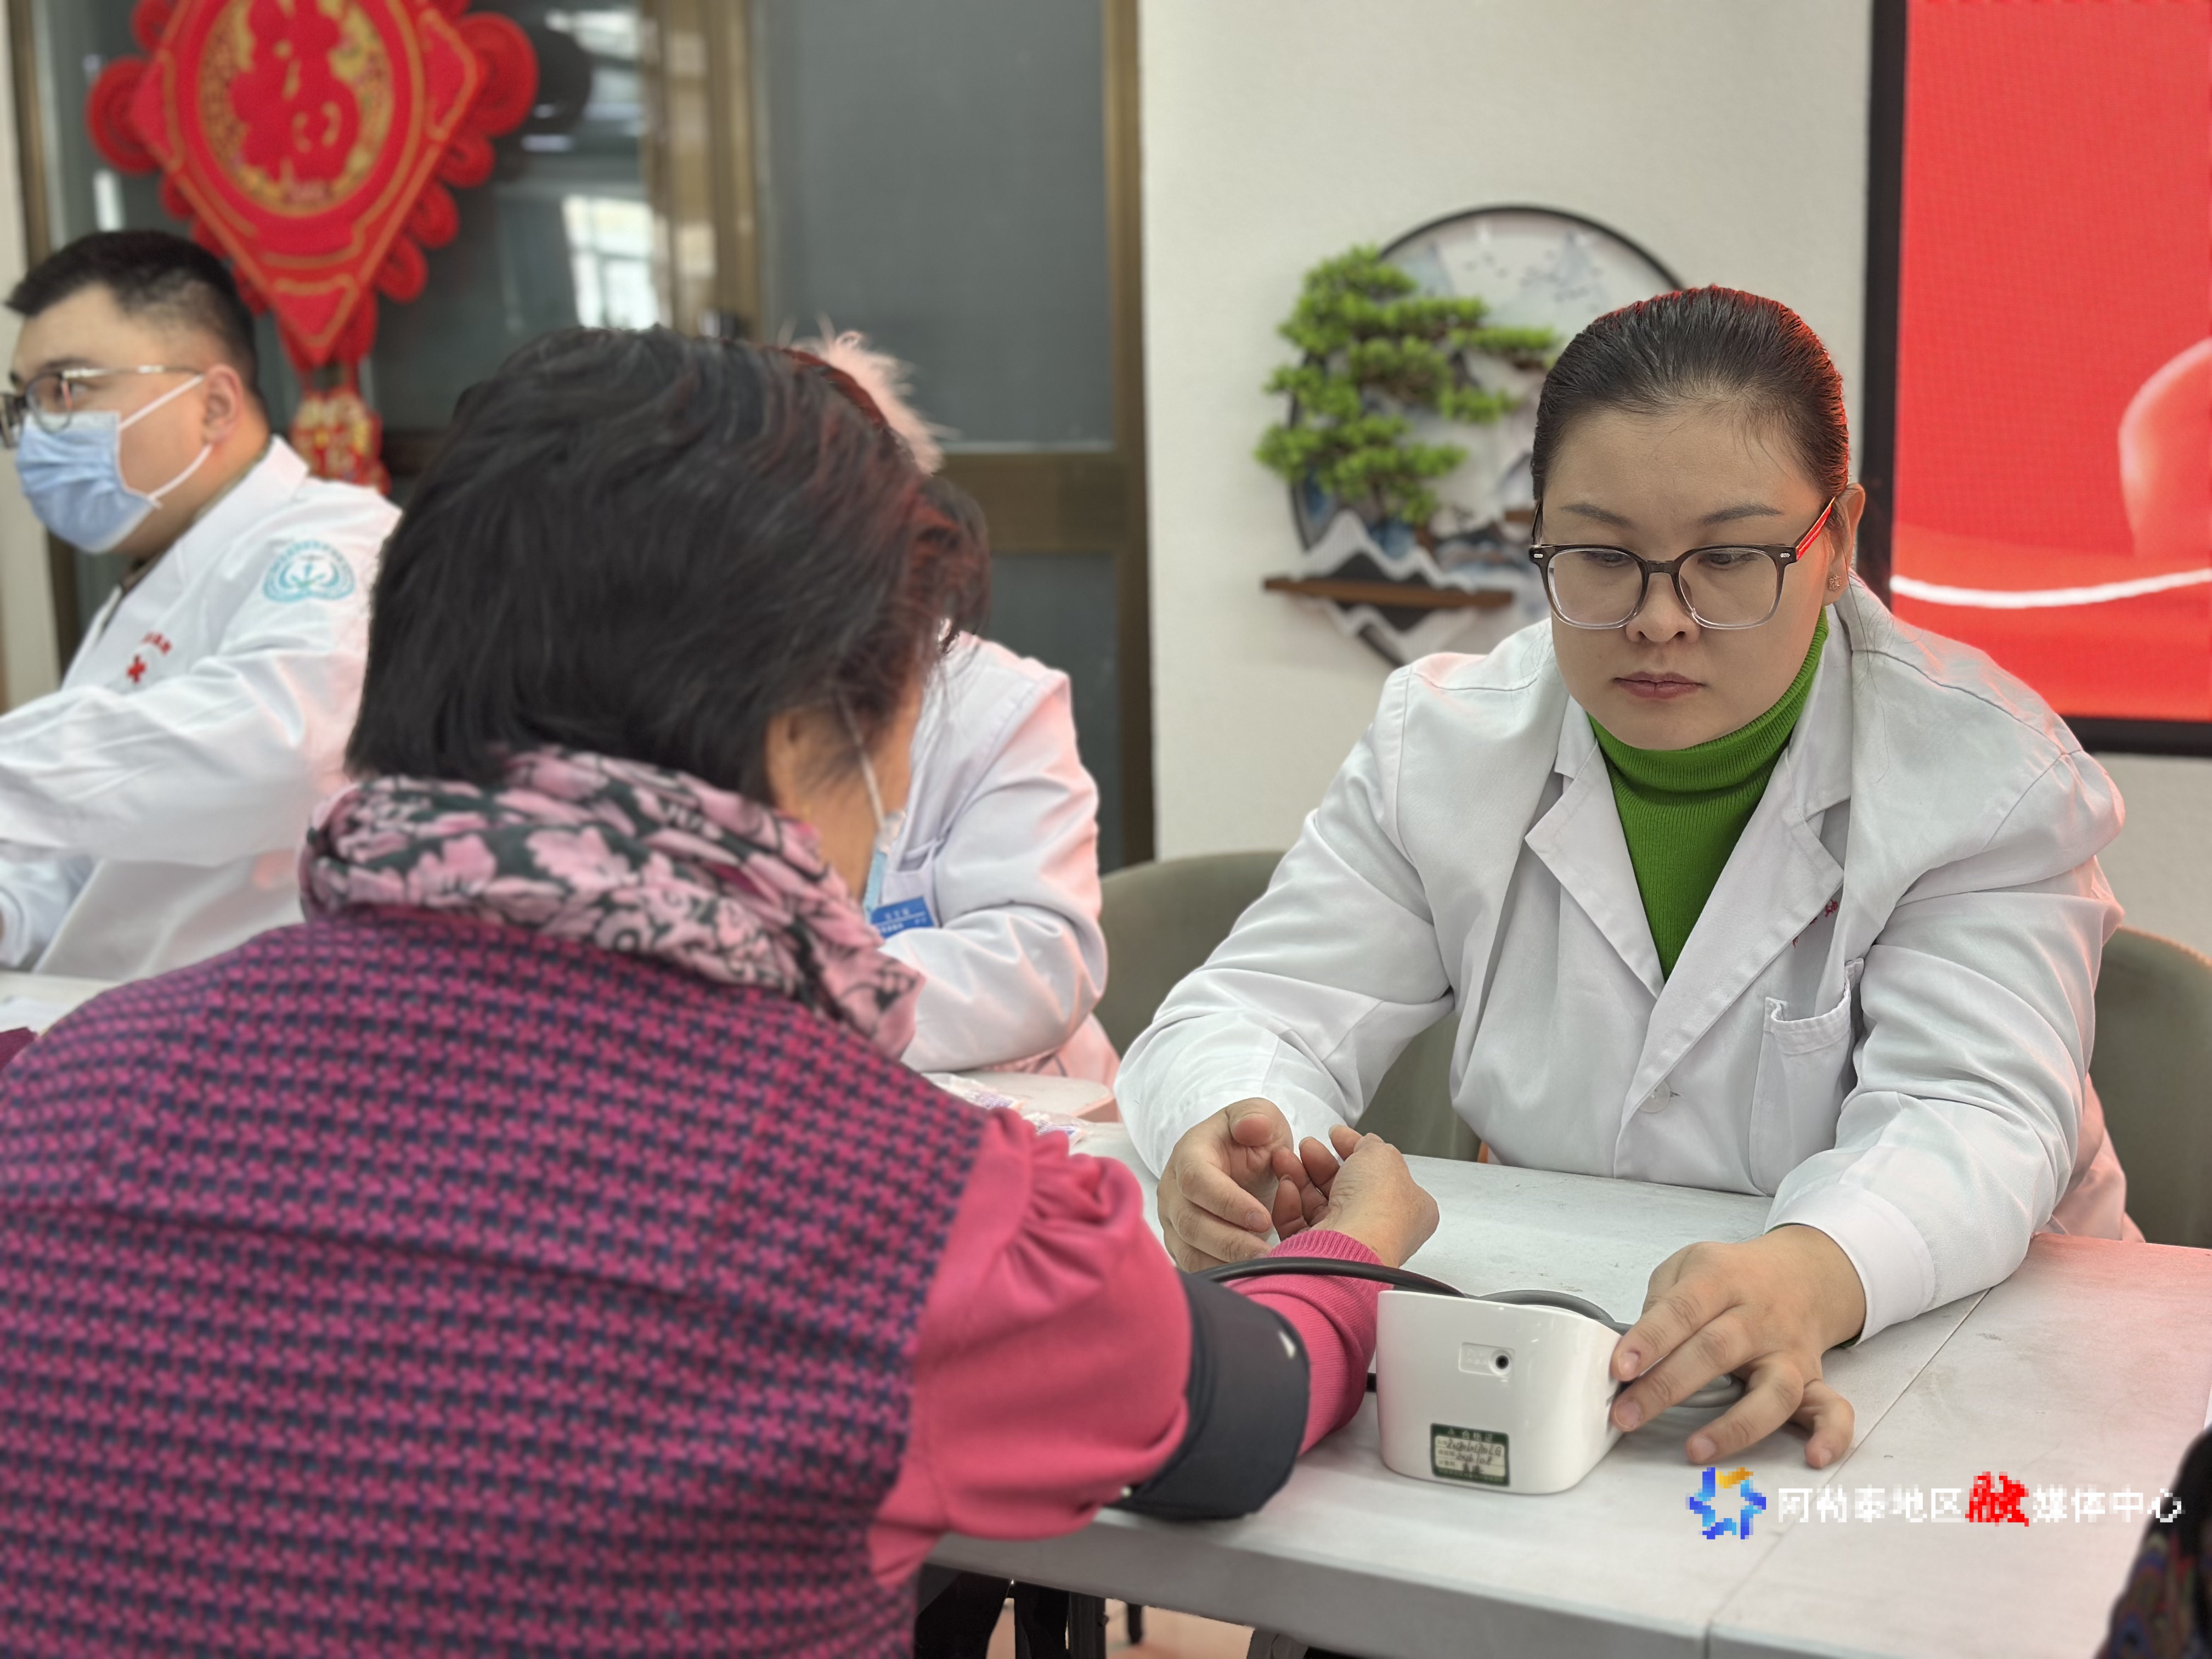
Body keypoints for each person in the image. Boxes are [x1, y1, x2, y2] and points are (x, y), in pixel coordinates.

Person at [0, 326, 1437, 1652]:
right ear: (818, 723)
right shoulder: (891, 1209)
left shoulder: (53, 1098)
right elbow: (1233, 1409)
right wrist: (1355, 1250)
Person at [1119, 286, 2136, 1474]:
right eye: (1603, 558)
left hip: (1958, 1347)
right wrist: (1247, 1146)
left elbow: (1973, 1115)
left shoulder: (1983, 773)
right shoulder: (1446, 744)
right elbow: (1247, 1013)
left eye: (1730, 559)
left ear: (1838, 540)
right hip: (1574, 1343)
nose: (1660, 620)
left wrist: (1817, 1269)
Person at [0, 229, 396, 980]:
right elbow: (80, 865)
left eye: (67, 389)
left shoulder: (333, 543)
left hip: (249, 1026)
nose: (37, 434)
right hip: (100, 1014)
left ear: (214, 404)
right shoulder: (155, 579)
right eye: (26, 401)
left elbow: (281, 749)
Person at [799, 330, 1118, 1081]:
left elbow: (1038, 964)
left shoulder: (997, 704)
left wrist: (794, 1002)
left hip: (1013, 1100)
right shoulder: (693, 694)